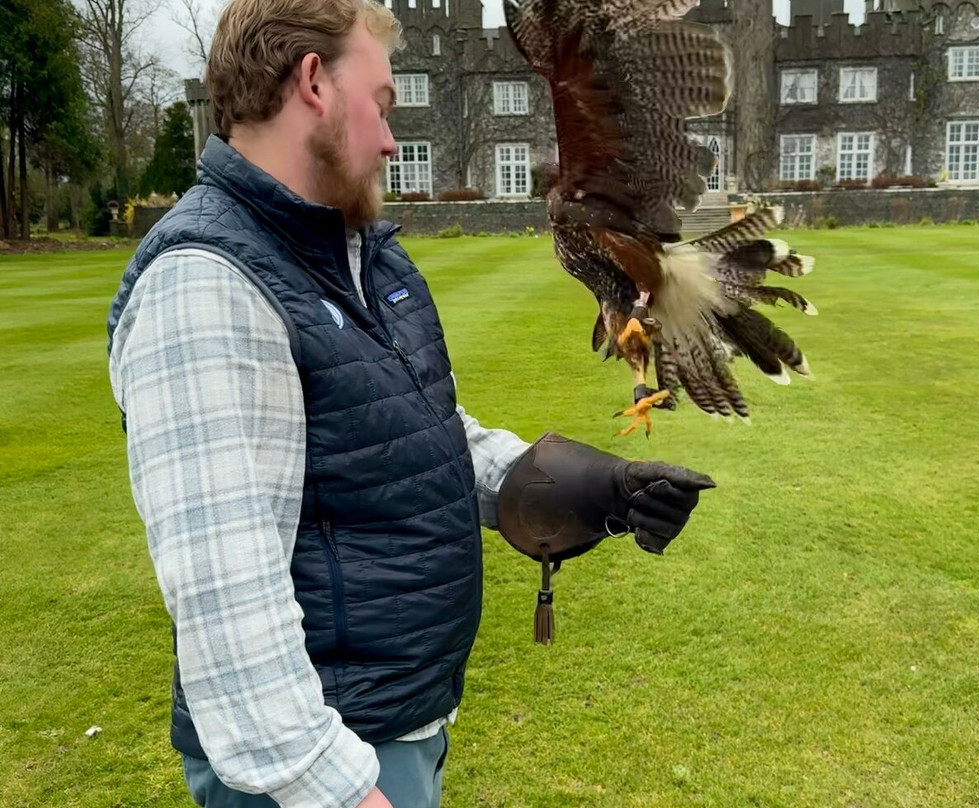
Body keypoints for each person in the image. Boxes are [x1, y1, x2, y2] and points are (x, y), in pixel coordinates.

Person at [106, 1, 714, 806]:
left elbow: (412, 440)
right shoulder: (207, 282)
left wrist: (587, 488)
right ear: (315, 84)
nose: (393, 140)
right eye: (384, 106)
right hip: (318, 767)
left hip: (394, 726)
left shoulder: (355, 259)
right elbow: (225, 597)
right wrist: (342, 792)